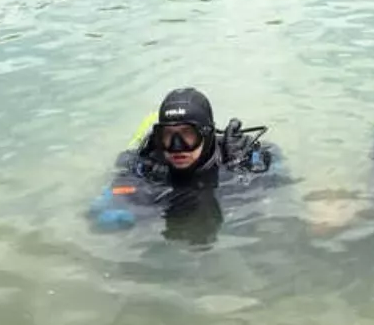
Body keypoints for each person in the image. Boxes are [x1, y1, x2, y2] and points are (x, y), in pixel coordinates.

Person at [87, 88, 283, 244]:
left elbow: (277, 179)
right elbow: (101, 216)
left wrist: (247, 172)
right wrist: (155, 211)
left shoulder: (238, 158)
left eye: (187, 135)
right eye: (168, 136)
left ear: (207, 134)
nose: (177, 147)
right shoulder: (145, 165)